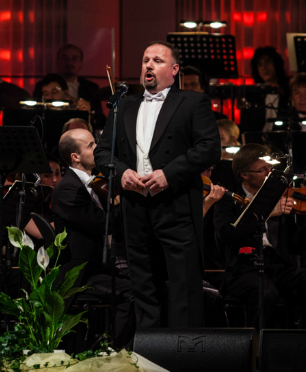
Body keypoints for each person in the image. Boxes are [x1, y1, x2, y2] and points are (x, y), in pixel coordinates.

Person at [94, 41, 220, 328]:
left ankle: (184, 349)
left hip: (176, 205)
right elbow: (103, 152)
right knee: (143, 283)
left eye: (157, 61)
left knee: (184, 284)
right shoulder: (123, 104)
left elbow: (210, 149)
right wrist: (122, 172)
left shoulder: (192, 102)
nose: (148, 65)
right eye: (145, 60)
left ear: (174, 70)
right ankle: (148, 350)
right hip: (135, 206)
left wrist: (169, 174)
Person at [213, 143, 306, 328]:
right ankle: (256, 342)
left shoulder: (279, 196)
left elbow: (295, 245)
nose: (269, 174)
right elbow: (227, 235)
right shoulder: (228, 200)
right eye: (263, 170)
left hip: (277, 266)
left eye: (270, 168)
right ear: (244, 174)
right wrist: (265, 214)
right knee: (265, 292)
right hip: (243, 269)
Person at [52, 128, 134, 347]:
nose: (97, 148)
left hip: (100, 268)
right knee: (132, 295)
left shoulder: (94, 183)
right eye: (91, 145)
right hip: (81, 274)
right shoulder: (67, 189)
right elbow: (103, 223)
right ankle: (112, 351)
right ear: (75, 157)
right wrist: (129, 199)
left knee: (147, 287)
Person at [241, 47, 290, 133]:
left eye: (268, 62)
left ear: (276, 64)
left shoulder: (288, 90)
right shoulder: (252, 95)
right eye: (260, 64)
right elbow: (246, 127)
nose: (264, 68)